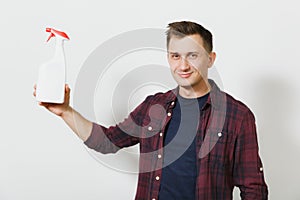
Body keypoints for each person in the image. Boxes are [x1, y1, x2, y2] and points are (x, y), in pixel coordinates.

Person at [34, 21, 268, 199]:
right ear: (169, 58)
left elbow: (253, 189)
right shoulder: (154, 106)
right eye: (176, 56)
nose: (183, 65)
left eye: (192, 56)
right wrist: (65, 111)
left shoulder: (237, 116)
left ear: (210, 58)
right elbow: (106, 141)